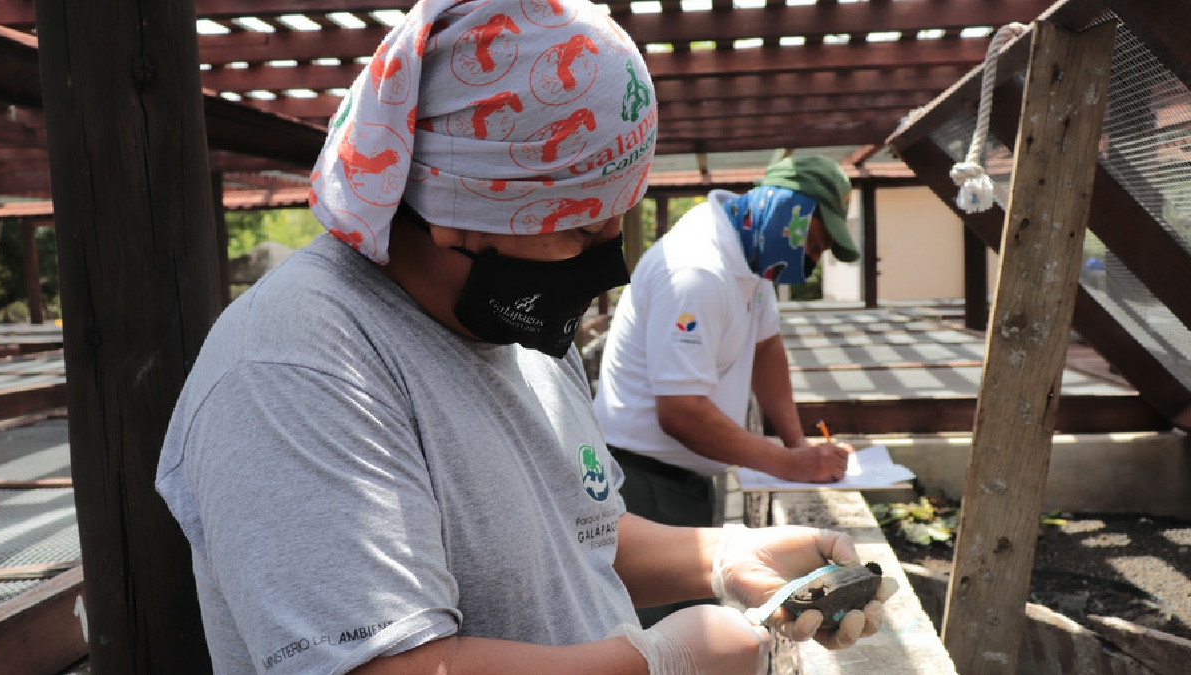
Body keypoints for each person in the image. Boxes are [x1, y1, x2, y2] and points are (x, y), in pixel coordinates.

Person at [155, 2, 893, 674]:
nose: (605, 267)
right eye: (581, 228)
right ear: (463, 200)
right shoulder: (296, 365)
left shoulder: (516, 328)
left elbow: (575, 537)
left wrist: (727, 556)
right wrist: (658, 662)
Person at [593, 154, 862, 626]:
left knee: (690, 622)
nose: (811, 262)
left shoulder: (752, 259)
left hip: (684, 479)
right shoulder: (697, 271)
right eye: (815, 246)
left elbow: (768, 350)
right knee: (656, 634)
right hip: (641, 486)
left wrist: (799, 445)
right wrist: (786, 461)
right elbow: (680, 413)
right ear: (788, 214)